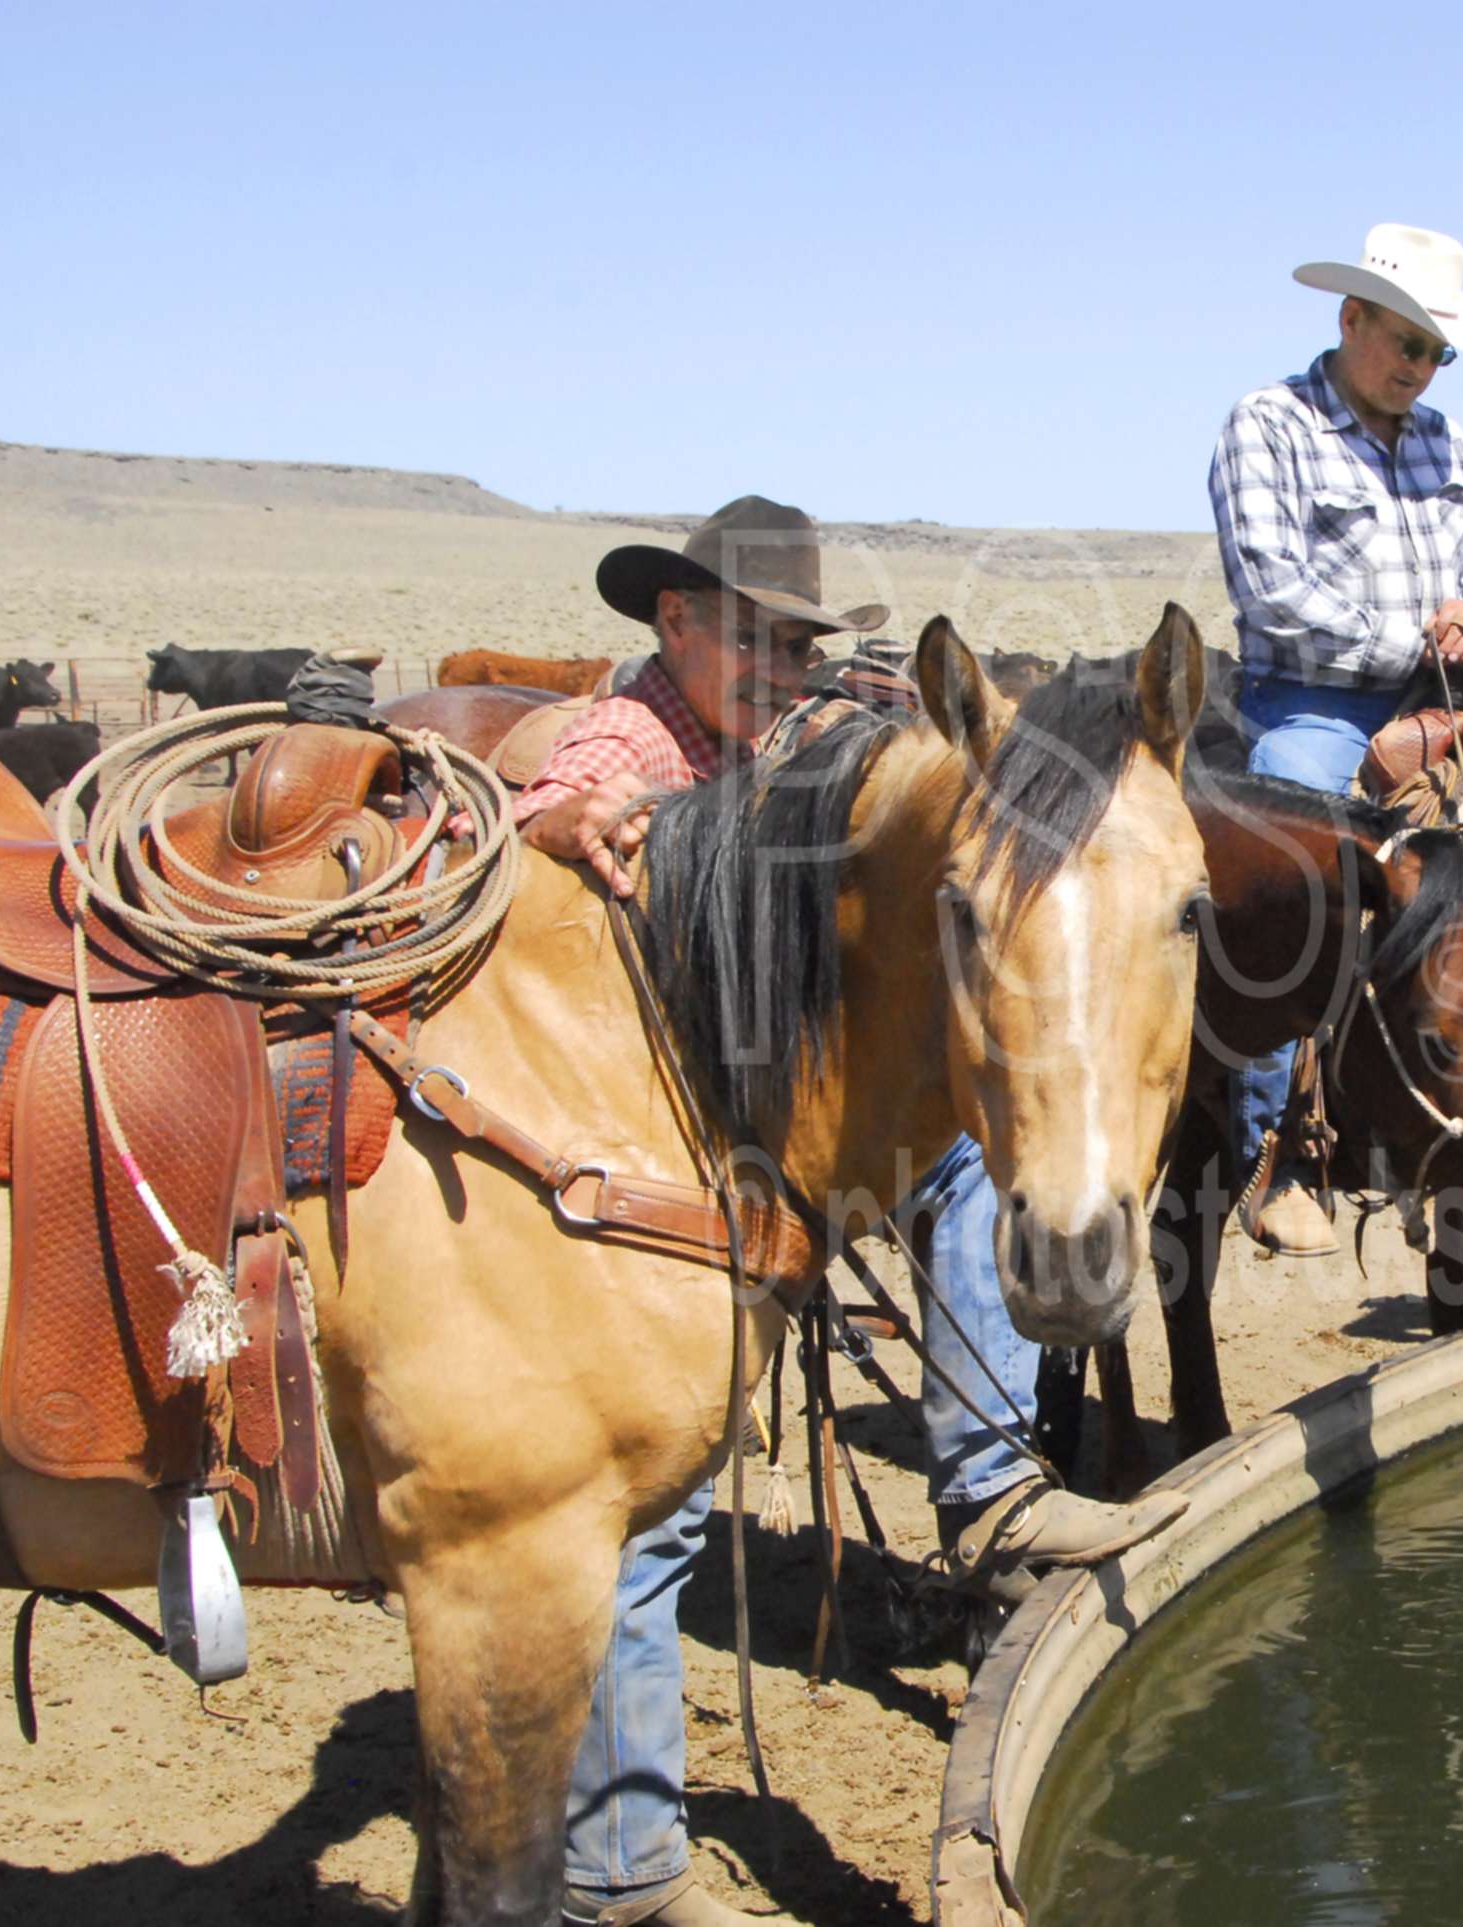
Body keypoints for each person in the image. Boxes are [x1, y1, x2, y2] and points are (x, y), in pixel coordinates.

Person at [528, 497, 1181, 1927]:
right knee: (652, 1502)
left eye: (792, 640)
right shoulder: (632, 739)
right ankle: (621, 1871)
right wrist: (569, 819)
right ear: (674, 623)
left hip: (778, 1112)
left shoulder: (770, 737)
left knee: (954, 1161)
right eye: (746, 635)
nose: (772, 662)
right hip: (668, 1140)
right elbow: (559, 805)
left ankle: (987, 1482)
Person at [1207, 222, 1463, 1254]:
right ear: (1350, 319)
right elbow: (1275, 593)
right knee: (1289, 887)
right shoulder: (1268, 425)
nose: (1423, 370)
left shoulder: (1452, 441)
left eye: (1439, 353)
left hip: (1450, 704)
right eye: (1407, 344)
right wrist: (1414, 636)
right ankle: (1273, 1147)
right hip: (1315, 701)